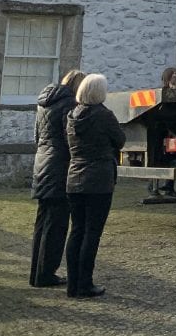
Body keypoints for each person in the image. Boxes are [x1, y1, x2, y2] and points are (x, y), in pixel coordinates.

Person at [65, 73, 126, 299]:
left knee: (77, 231)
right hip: (99, 179)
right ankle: (85, 283)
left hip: (74, 179)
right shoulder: (104, 115)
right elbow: (120, 140)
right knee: (92, 233)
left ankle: (73, 284)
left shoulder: (71, 115)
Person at [29, 68, 84, 288]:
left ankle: (36, 273)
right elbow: (70, 139)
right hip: (60, 166)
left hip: (41, 163)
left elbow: (37, 136)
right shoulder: (69, 105)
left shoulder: (43, 104)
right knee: (57, 225)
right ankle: (46, 274)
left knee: (42, 223)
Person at [145, 67, 176, 203]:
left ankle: (169, 187)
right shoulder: (162, 95)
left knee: (170, 160)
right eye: (173, 75)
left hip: (171, 132)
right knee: (155, 159)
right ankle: (153, 187)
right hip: (158, 133)